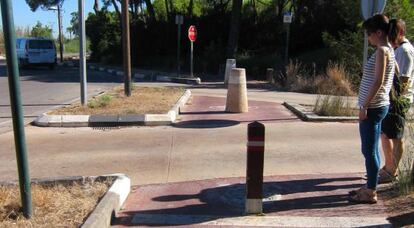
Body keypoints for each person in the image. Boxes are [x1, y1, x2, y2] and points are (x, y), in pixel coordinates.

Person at [349, 14, 395, 204]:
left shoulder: (382, 51)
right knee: (370, 149)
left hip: (373, 107)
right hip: (378, 105)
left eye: (369, 34)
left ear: (378, 32)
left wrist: (364, 106)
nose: (368, 37)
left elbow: (378, 81)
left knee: (369, 150)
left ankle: (370, 192)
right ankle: (370, 186)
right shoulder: (388, 49)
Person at [379, 18, 414, 183]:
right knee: (386, 133)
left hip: (399, 99)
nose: (390, 38)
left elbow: (403, 79)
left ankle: (392, 171)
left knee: (395, 136)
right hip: (393, 97)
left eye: (393, 34)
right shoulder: (399, 49)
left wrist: (394, 97)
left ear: (401, 32)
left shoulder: (404, 51)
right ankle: (388, 167)